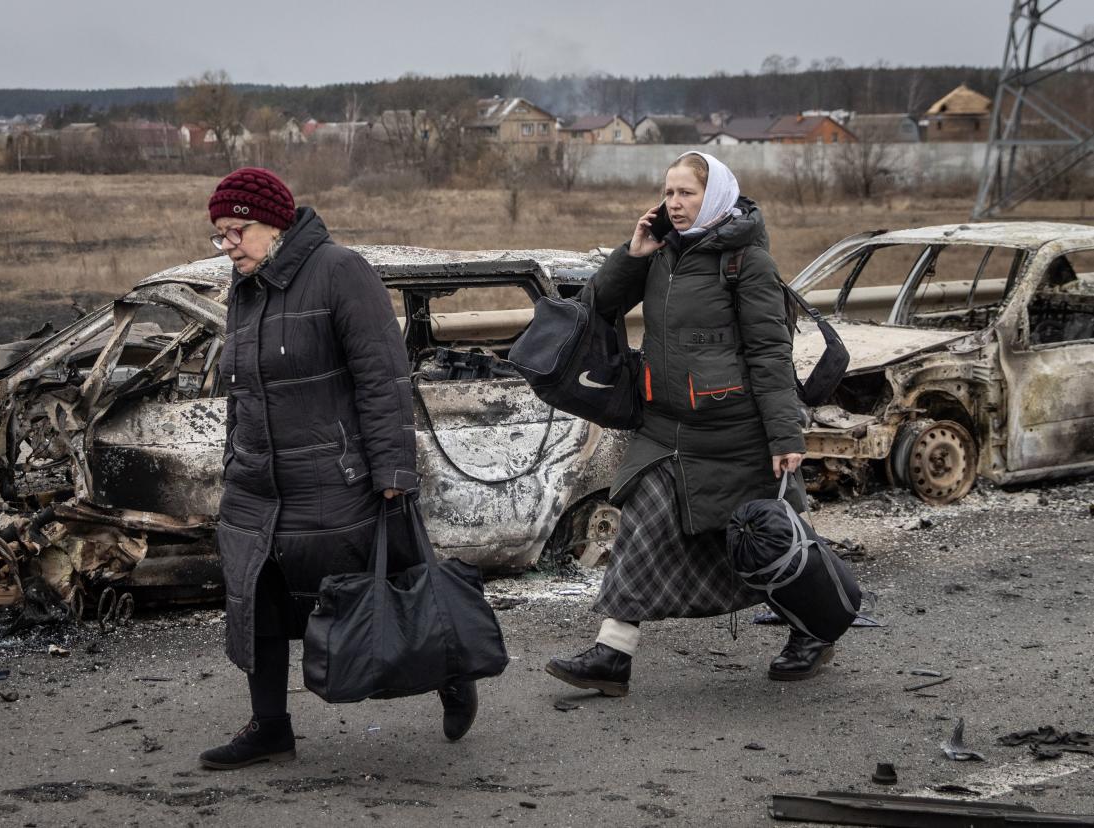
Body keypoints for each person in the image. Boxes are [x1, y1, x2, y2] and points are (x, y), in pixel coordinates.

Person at [200, 168, 477, 769]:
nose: (227, 246)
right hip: (258, 484)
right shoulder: (243, 288)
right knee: (258, 601)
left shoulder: (341, 272)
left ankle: (453, 676)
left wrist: (394, 473)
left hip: (335, 483)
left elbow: (383, 379)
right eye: (219, 235)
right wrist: (233, 459)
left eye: (236, 232)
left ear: (273, 223)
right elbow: (242, 389)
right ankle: (270, 726)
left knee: (392, 593)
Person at [545, 151, 827, 696]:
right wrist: (632, 253)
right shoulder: (659, 254)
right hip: (666, 432)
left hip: (735, 437)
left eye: (686, 194)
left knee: (762, 543)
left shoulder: (748, 263)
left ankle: (813, 630)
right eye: (668, 193)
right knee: (640, 530)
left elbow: (770, 354)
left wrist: (786, 435)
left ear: (714, 195)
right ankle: (612, 655)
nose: (673, 204)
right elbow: (595, 306)